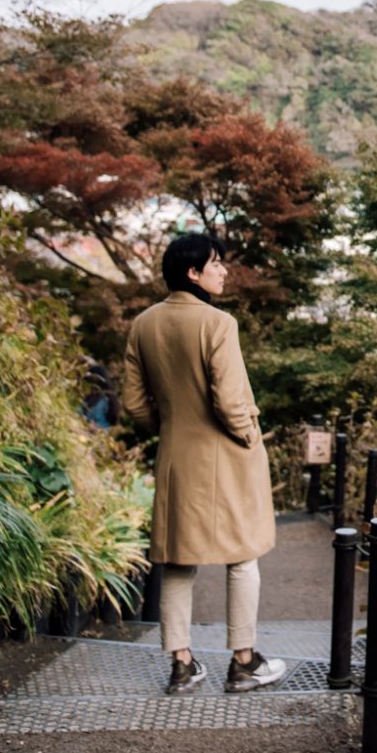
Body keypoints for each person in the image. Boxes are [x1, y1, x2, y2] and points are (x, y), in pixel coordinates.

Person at [121, 233, 288, 695]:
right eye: (216, 263)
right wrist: (250, 437)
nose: (223, 270)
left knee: (176, 562)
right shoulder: (219, 324)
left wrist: (172, 424)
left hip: (177, 456)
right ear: (192, 272)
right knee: (242, 555)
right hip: (228, 458)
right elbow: (231, 400)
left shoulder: (143, 325)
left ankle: (181, 666)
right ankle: (244, 662)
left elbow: (134, 404)